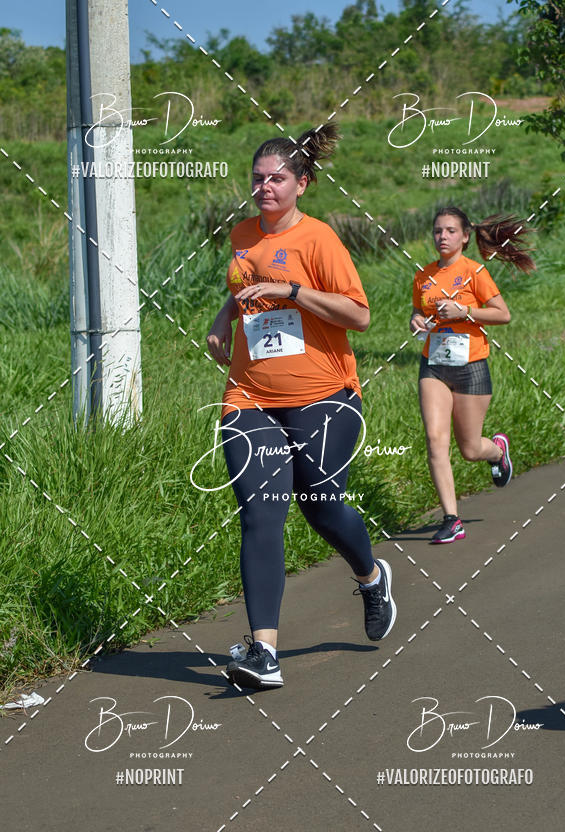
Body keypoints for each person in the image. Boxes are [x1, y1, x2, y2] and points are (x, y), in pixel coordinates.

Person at [206, 123, 396, 689]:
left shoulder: (319, 240)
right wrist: (223, 319)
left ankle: (370, 577)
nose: (266, 187)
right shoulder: (242, 233)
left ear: (302, 184)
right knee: (261, 515)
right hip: (250, 396)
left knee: (321, 507)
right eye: (259, 178)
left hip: (325, 396)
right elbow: (243, 287)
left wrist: (291, 292)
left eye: (278, 179)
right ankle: (264, 651)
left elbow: (358, 315)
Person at [410, 206, 535, 544]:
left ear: (465, 236)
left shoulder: (474, 272)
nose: (443, 237)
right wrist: (416, 321)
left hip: (471, 367)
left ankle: (496, 451)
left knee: (469, 449)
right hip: (433, 365)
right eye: (438, 231)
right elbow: (418, 311)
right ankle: (452, 519)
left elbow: (503, 314)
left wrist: (465, 311)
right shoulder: (424, 275)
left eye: (450, 231)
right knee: (436, 440)